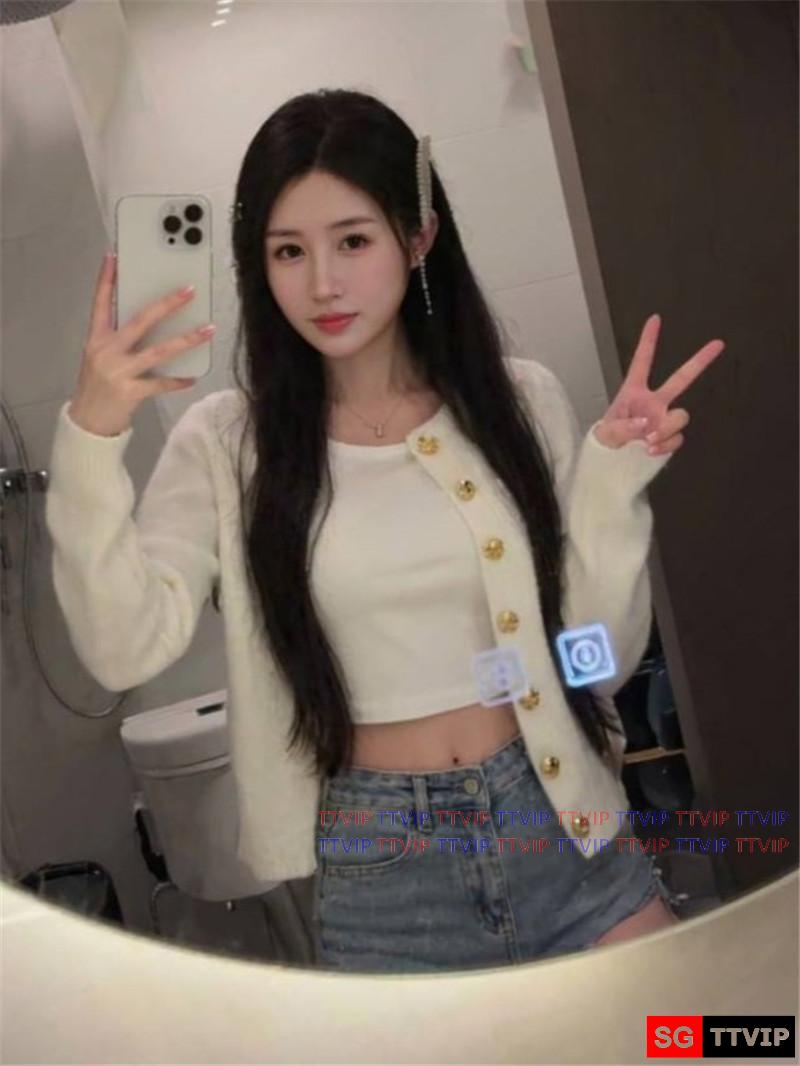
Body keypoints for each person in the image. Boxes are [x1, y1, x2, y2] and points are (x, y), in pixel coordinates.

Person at [47, 88, 724, 973]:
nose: (322, 284)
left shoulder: (521, 403)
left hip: (559, 818)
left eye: (354, 241)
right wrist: (93, 436)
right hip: (379, 858)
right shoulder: (225, 445)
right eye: (289, 251)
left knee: (688, 1033)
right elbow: (121, 650)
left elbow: (597, 655)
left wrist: (610, 483)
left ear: (419, 237)